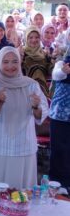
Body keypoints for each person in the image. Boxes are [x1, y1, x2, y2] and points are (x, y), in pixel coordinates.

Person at [0, 47, 48, 189]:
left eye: (15, 61)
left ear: (20, 62)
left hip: (23, 146)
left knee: (19, 194)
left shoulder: (31, 85)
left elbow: (41, 114)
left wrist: (35, 107)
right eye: (5, 62)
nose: (10, 66)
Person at [50, 51, 70, 190]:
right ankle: (57, 184)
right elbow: (56, 75)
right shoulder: (61, 63)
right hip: (59, 115)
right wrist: (63, 71)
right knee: (59, 150)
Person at [22, 27, 53, 98]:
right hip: (25, 92)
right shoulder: (22, 53)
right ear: (26, 38)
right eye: (30, 37)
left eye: (37, 37)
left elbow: (51, 71)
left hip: (42, 92)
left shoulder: (44, 54)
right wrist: (19, 58)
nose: (34, 40)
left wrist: (52, 59)